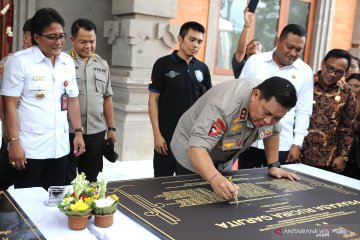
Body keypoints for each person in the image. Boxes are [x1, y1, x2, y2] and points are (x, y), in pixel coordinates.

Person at [170, 77, 299, 200]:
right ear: (255, 95)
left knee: (222, 198)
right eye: (267, 114)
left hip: (223, 155)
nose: (268, 121)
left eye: (277, 118)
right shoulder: (223, 106)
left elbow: (272, 132)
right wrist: (215, 178)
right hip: (191, 150)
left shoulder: (272, 107)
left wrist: (273, 165)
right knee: (194, 201)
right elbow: (197, 148)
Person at [1, 8, 85, 190]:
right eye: (52, 37)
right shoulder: (19, 62)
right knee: (28, 204)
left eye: (61, 35)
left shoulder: (67, 62)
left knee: (55, 202)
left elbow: (72, 99)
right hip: (30, 150)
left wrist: (78, 132)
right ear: (37, 37)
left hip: (60, 147)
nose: (59, 42)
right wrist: (13, 143)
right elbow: (9, 105)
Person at [238, 24, 313, 168]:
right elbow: (241, 95)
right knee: (244, 183)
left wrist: (297, 142)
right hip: (248, 139)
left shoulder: (305, 71)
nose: (293, 53)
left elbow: (303, 110)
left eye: (299, 50)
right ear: (278, 42)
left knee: (274, 185)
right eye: (290, 47)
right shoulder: (255, 61)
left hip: (281, 143)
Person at [148, 21, 212, 177]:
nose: (195, 45)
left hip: (192, 140)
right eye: (191, 39)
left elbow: (209, 104)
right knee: (161, 185)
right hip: (166, 139)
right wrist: (157, 135)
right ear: (180, 39)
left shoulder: (202, 68)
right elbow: (153, 101)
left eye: (199, 41)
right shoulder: (162, 64)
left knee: (188, 187)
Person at [65, 18, 116, 183]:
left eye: (92, 41)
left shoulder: (102, 64)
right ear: (72, 40)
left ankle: (87, 208)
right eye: (83, 42)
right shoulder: (63, 62)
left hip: (96, 132)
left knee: (91, 179)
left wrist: (111, 128)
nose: (88, 46)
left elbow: (107, 98)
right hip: (69, 131)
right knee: (65, 177)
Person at [301, 49, 355, 173]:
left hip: (328, 158)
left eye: (339, 72)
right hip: (298, 153)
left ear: (346, 73)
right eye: (329, 68)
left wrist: (343, 156)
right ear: (322, 63)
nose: (332, 74)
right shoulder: (305, 83)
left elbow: (347, 127)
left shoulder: (346, 92)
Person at [0, 18, 32, 190]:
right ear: (27, 38)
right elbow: (3, 99)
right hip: (13, 130)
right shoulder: (10, 62)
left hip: (34, 134)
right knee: (5, 174)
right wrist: (7, 128)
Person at [232, 7, 263, 79]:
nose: (255, 44)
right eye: (251, 44)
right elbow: (240, 50)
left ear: (262, 52)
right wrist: (247, 25)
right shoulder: (241, 65)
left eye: (258, 44)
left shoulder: (264, 66)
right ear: (246, 51)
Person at [344, 73, 360, 179]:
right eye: (350, 85)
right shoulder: (341, 98)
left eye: (357, 86)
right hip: (343, 150)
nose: (352, 88)